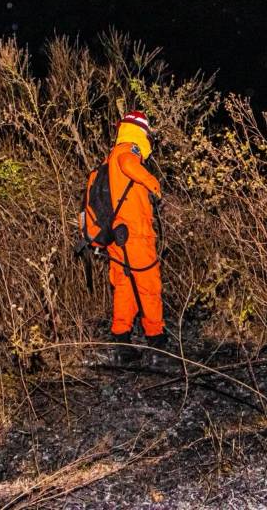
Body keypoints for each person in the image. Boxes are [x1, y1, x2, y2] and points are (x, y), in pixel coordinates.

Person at [105, 110, 166, 363]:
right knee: (148, 284)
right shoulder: (130, 149)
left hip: (117, 234)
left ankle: (121, 338)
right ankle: (157, 339)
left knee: (125, 285)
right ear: (139, 131)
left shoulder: (111, 155)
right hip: (135, 234)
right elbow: (129, 165)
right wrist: (155, 185)